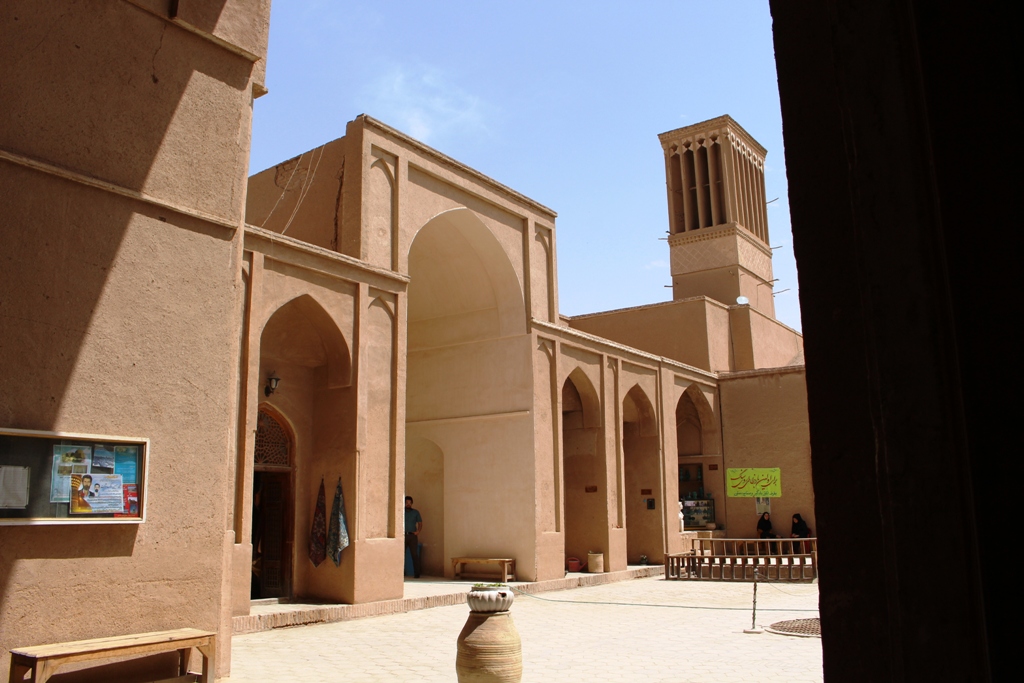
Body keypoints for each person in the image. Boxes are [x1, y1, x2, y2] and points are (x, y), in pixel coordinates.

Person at [404, 495, 423, 579]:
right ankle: (400, 573)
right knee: (401, 555)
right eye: (406, 502)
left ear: (411, 503)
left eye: (409, 503)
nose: (408, 504)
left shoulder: (415, 512)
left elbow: (420, 523)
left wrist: (418, 531)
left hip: (412, 536)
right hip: (403, 536)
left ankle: (417, 573)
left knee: (414, 555)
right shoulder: (400, 512)